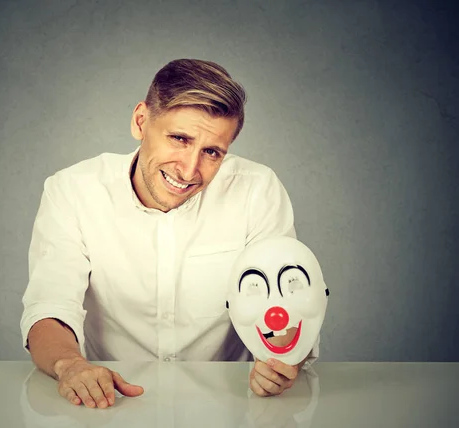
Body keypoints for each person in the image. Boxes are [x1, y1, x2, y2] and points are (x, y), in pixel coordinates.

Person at [20, 58, 319, 409]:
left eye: (212, 152)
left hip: (230, 406)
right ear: (140, 121)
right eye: (179, 139)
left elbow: (288, 300)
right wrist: (71, 366)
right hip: (111, 406)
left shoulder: (257, 190)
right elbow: (50, 306)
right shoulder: (72, 191)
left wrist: (283, 363)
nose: (190, 169)